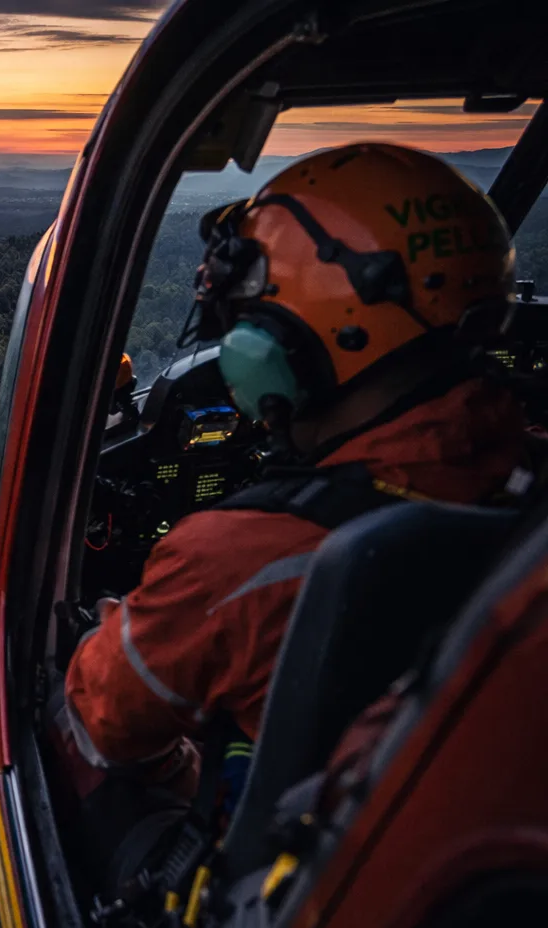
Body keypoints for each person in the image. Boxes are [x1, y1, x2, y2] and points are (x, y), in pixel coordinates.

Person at [63, 142, 527, 779]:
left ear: (333, 327)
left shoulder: (237, 560)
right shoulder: (523, 467)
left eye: (250, 320)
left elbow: (104, 718)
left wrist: (110, 625)